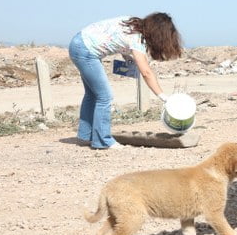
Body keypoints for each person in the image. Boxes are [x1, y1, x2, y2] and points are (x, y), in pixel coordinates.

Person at [68, 13, 183, 149]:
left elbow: (117, 39)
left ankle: (85, 135)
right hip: (86, 51)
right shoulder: (137, 39)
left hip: (79, 42)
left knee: (92, 94)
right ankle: (102, 141)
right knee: (105, 96)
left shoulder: (132, 24)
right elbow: (146, 73)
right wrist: (163, 96)